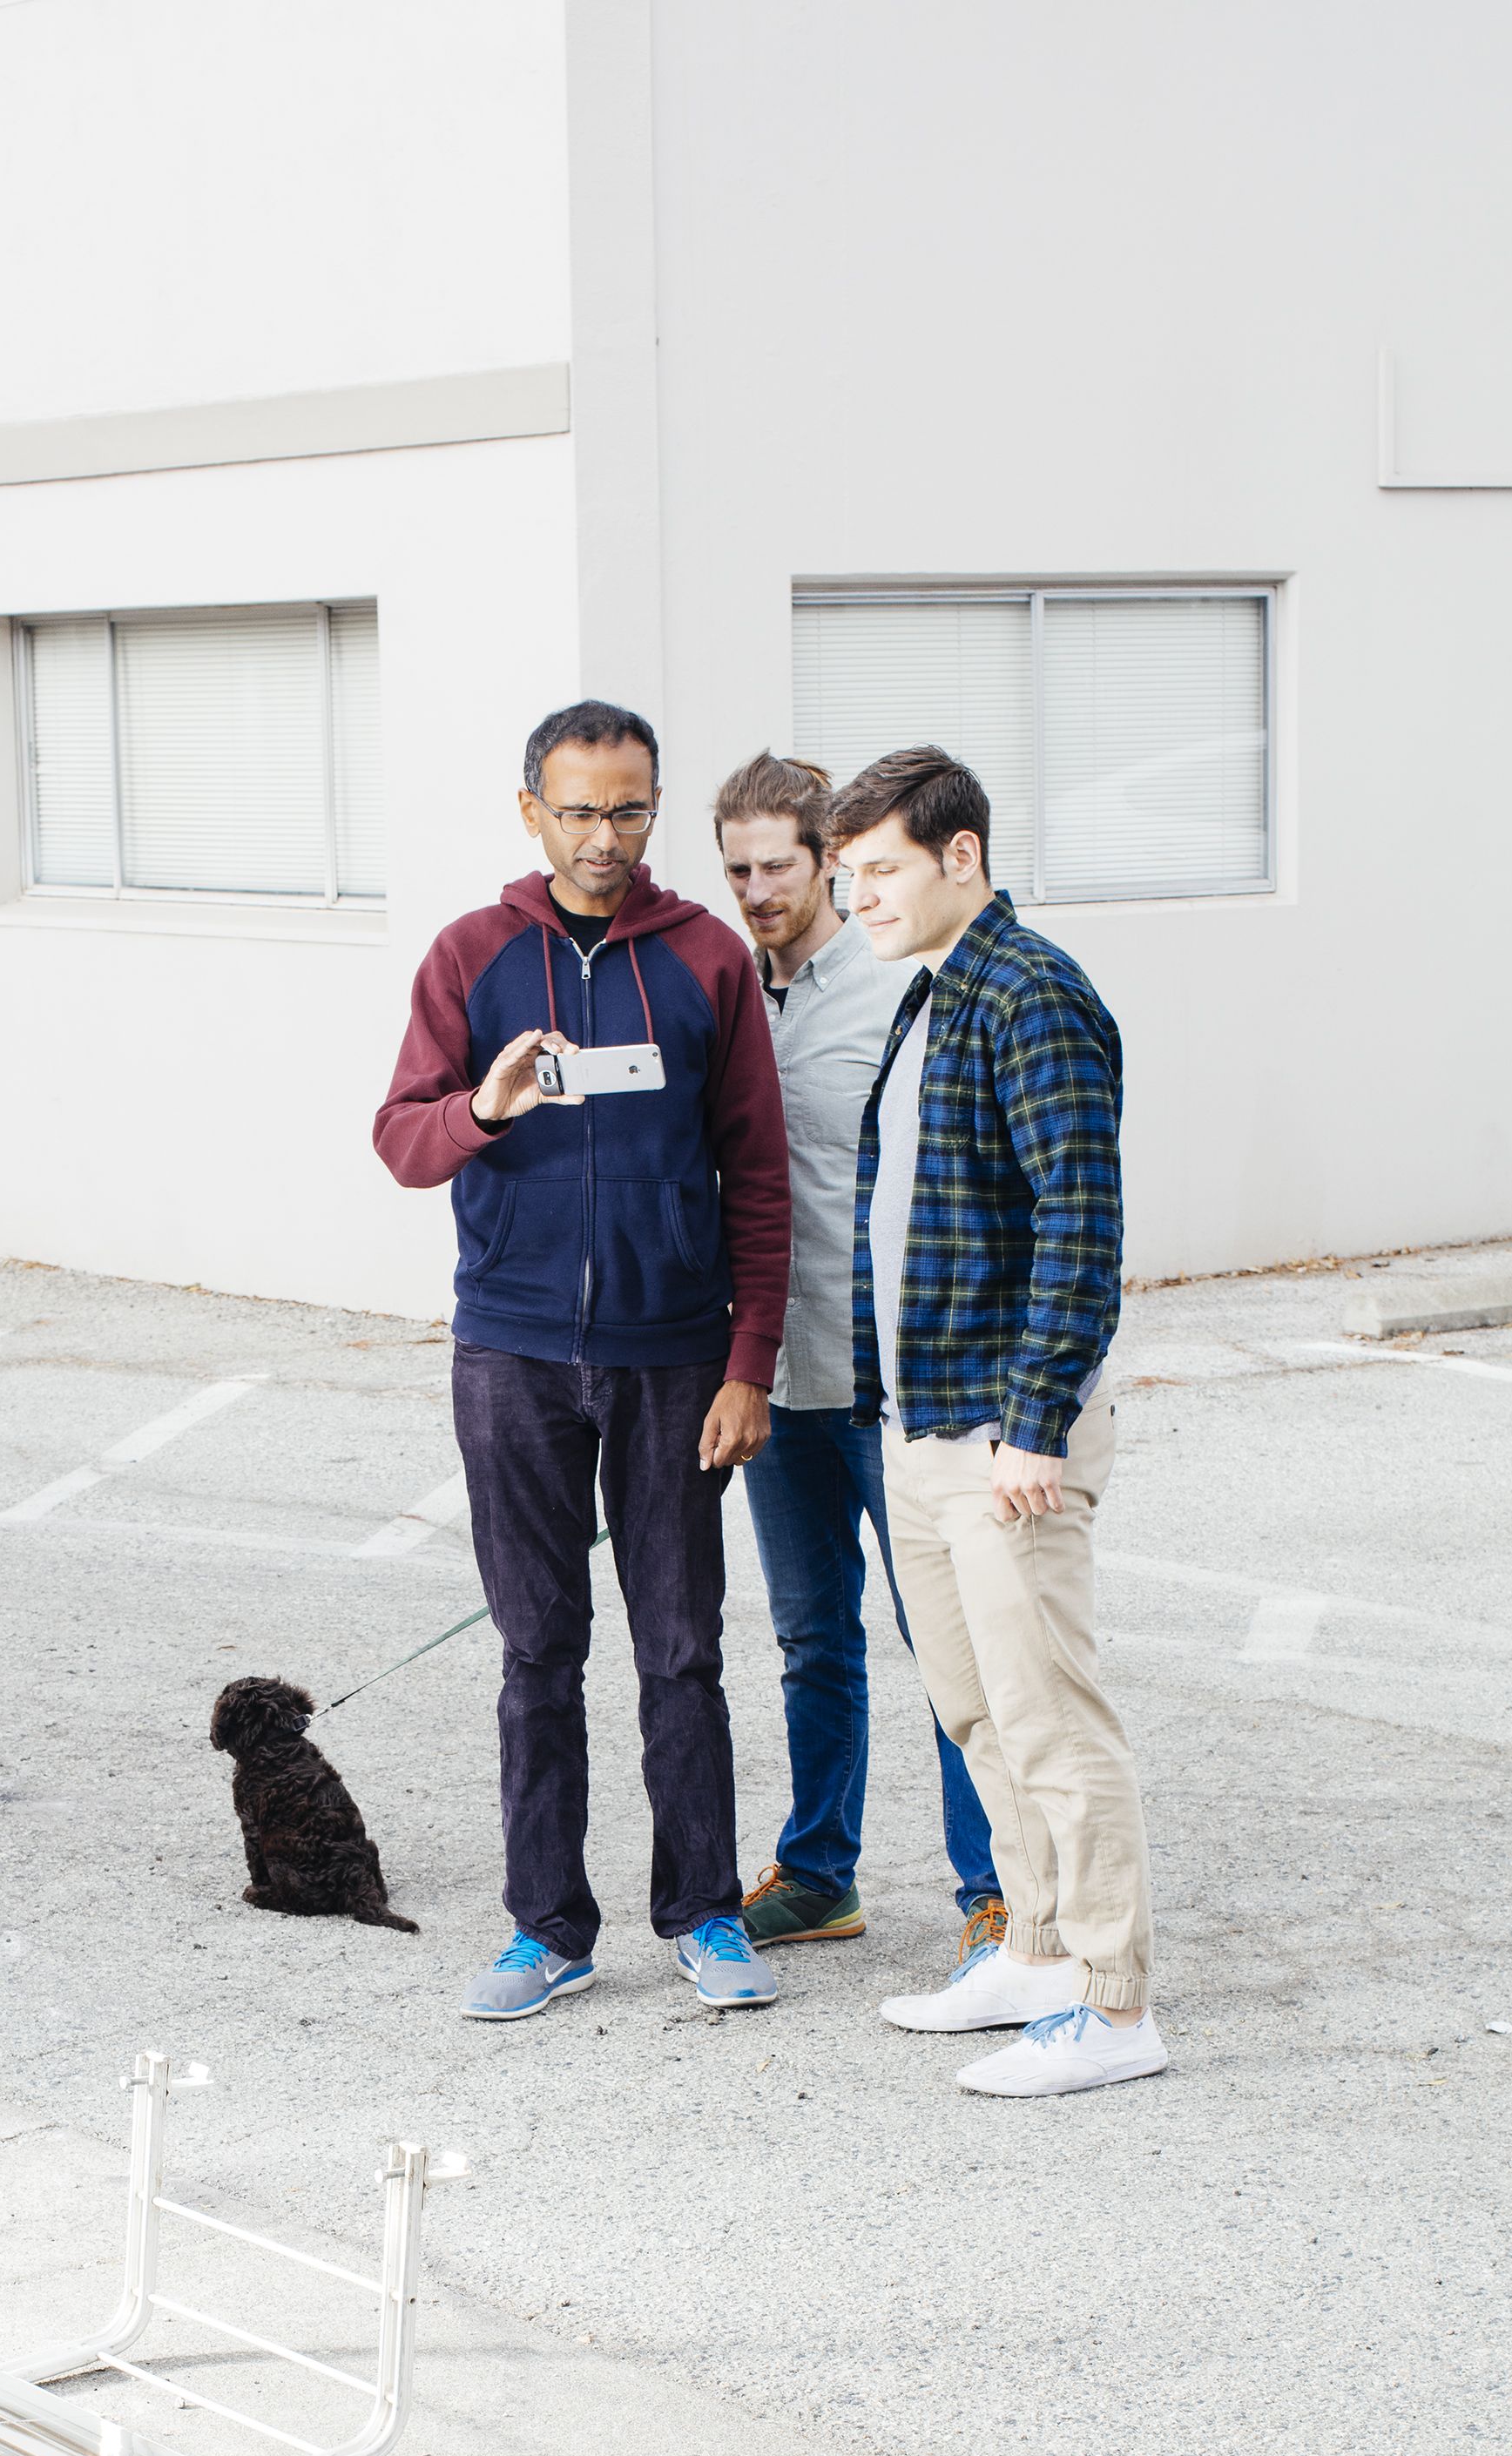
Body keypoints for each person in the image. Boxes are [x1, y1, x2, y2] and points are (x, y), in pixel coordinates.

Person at [373, 699, 792, 2021]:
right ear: (529, 811)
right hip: (511, 1351)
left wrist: (749, 1362)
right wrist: (487, 1105)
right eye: (580, 810)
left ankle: (706, 1916)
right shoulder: (470, 957)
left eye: (629, 809)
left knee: (681, 1651)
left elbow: (762, 1180)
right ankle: (546, 1928)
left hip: (675, 1357)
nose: (606, 836)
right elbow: (402, 1140)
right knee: (536, 1652)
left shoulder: (708, 961)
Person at [827, 742, 1165, 2096]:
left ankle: (1119, 2005)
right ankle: (1033, 1948)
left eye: (881, 872)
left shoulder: (1031, 995)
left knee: (1051, 1717)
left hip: (1003, 1438)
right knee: (975, 1712)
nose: (859, 901)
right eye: (847, 878)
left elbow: (1084, 1229)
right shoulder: (930, 997)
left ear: (961, 855)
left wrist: (1034, 1426)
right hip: (924, 1428)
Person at [712, 749, 1003, 1967]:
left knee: (949, 1640)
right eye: (738, 868)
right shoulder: (725, 990)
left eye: (781, 865)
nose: (759, 889)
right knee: (809, 1639)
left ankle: (994, 1890)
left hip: (891, 1382)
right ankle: (820, 1872)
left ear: (829, 864)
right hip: (776, 1378)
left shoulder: (893, 987)